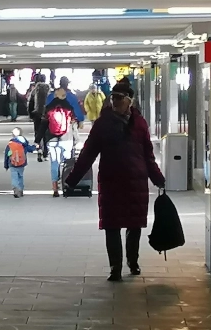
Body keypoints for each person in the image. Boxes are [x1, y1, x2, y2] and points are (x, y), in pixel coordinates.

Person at [65, 81, 165, 282]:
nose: (116, 101)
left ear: (130, 100)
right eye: (114, 98)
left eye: (120, 98)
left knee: (134, 225)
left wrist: (157, 178)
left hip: (136, 182)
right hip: (111, 181)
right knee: (112, 226)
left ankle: (133, 261)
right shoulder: (103, 124)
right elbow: (88, 153)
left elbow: (148, 155)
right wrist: (73, 179)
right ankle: (115, 267)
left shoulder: (140, 123)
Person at [35, 88, 76, 197]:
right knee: (67, 163)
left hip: (51, 140)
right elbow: (73, 125)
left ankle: (55, 188)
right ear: (64, 96)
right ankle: (66, 185)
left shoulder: (48, 108)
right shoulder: (69, 107)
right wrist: (76, 139)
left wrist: (37, 140)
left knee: (54, 163)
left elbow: (43, 125)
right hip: (66, 139)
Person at [4, 127, 37, 198]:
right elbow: (30, 149)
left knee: (14, 177)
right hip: (22, 163)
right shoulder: (24, 143)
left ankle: (15, 189)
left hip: (12, 163)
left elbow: (7, 155)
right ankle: (21, 190)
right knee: (20, 176)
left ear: (13, 135)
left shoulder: (10, 144)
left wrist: (6, 165)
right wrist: (35, 147)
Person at [54, 77, 86, 151]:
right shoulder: (71, 96)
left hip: (55, 121)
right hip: (69, 121)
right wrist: (81, 119)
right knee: (72, 135)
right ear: (67, 84)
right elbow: (76, 109)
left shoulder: (53, 95)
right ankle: (74, 148)